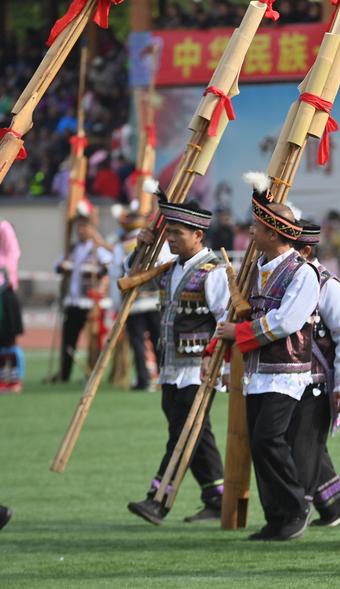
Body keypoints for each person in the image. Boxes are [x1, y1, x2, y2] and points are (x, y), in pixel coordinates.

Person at [210, 172, 320, 542]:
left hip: (286, 371)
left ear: (274, 234)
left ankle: (295, 508)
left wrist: (238, 334)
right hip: (258, 371)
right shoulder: (256, 270)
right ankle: (276, 517)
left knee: (267, 440)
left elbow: (286, 322)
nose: (251, 233)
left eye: (257, 228)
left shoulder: (301, 272)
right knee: (260, 444)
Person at [126, 182, 228, 526]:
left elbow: (225, 321)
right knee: (195, 434)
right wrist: (141, 249)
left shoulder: (213, 273)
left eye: (178, 233)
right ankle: (217, 497)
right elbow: (135, 278)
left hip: (197, 370)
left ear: (198, 235)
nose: (170, 239)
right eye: (168, 232)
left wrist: (216, 363)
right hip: (171, 368)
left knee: (182, 435)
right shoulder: (172, 269)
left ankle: (159, 499)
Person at [289, 219, 340, 528]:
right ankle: (337, 504)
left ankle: (297, 511)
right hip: (288, 377)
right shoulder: (285, 280)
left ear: (305, 250)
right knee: (298, 441)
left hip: (317, 381)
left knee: (303, 445)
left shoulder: (328, 286)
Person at [53, 210, 112, 383]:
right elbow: (57, 266)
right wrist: (62, 267)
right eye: (79, 227)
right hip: (73, 301)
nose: (81, 231)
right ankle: (64, 374)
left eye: (85, 227)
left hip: (90, 302)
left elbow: (109, 266)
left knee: (93, 340)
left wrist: (101, 274)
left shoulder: (97, 250)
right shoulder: (71, 249)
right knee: (68, 339)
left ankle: (92, 373)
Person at [110, 209, 161, 391]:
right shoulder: (157, 242)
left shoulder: (120, 246)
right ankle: (163, 376)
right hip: (155, 300)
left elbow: (116, 274)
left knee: (138, 342)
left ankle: (144, 379)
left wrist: (116, 305)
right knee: (158, 340)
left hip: (134, 302)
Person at [0, 216, 23, 393]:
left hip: (4, 292)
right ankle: (2, 377)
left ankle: (13, 379)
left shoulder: (4, 227)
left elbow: (13, 253)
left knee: (8, 338)